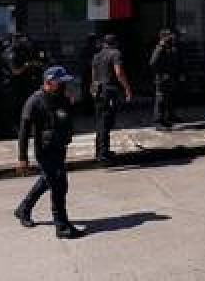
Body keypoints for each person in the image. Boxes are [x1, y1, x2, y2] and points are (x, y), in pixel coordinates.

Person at [14, 66, 83, 239]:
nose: (63, 85)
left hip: (60, 146)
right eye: (60, 82)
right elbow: (23, 131)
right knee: (60, 186)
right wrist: (23, 158)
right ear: (49, 82)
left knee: (47, 180)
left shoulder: (60, 97)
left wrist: (70, 102)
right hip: (45, 150)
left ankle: (24, 208)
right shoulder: (34, 101)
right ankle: (61, 225)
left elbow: (66, 117)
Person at [90, 34, 133, 164]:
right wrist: (127, 88)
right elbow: (119, 72)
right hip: (109, 91)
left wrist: (93, 90)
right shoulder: (115, 54)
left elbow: (93, 75)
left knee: (100, 121)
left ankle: (101, 151)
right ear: (114, 43)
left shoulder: (96, 56)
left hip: (98, 90)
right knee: (106, 122)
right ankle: (103, 155)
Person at [149, 29, 181, 129]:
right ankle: (157, 122)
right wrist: (161, 73)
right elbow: (152, 63)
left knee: (168, 98)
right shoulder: (160, 48)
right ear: (164, 37)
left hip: (170, 78)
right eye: (169, 36)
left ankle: (165, 119)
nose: (172, 37)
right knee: (160, 100)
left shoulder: (169, 47)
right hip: (162, 79)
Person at [77, 34, 101, 114]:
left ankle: (87, 110)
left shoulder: (84, 50)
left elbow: (81, 62)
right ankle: (93, 110)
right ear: (94, 41)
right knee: (94, 93)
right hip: (92, 74)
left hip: (85, 74)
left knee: (86, 93)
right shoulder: (96, 50)